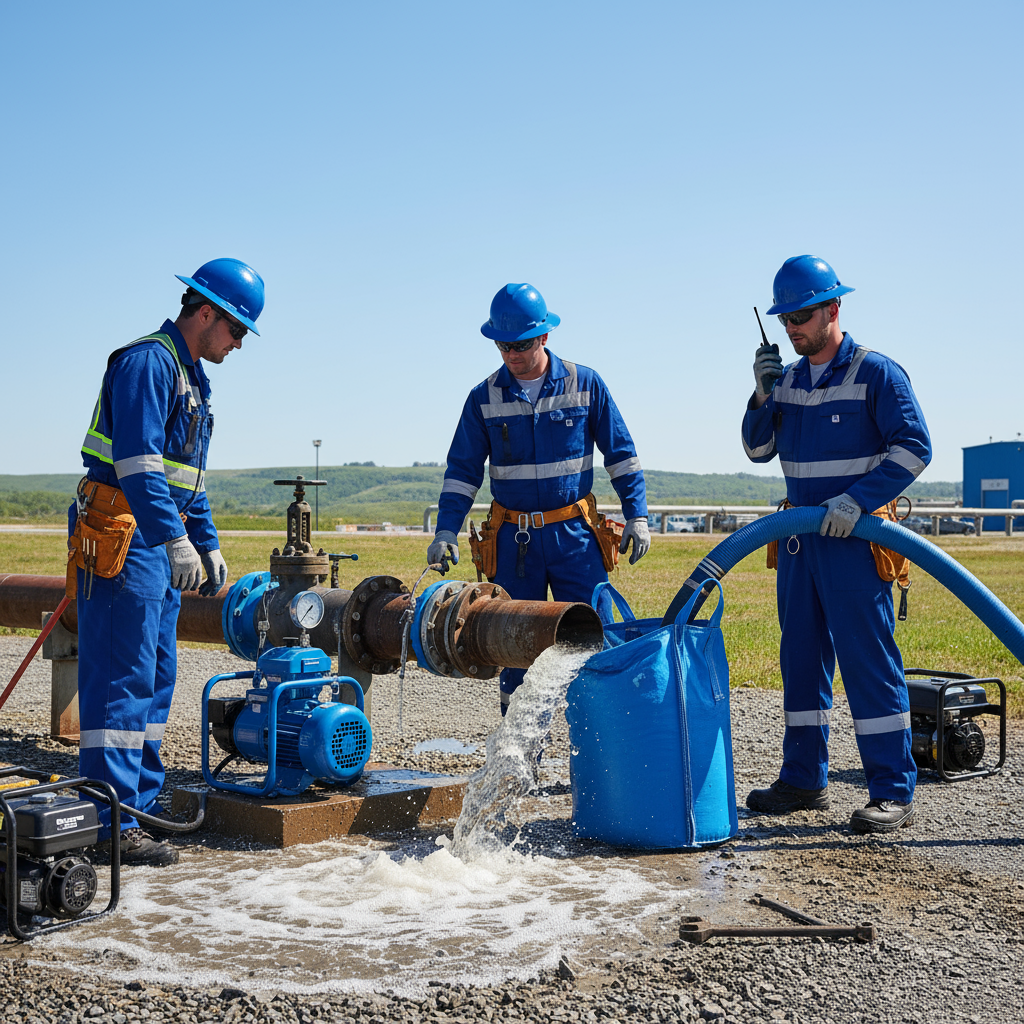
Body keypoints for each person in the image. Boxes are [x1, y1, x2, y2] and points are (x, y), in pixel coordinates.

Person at [73, 258, 264, 866]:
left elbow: (187, 477)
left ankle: (140, 807)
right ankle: (108, 821)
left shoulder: (191, 377)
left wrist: (204, 539)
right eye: (235, 330)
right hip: (124, 535)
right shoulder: (147, 363)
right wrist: (172, 537)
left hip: (154, 542)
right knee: (120, 680)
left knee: (155, 677)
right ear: (204, 312)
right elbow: (138, 464)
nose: (237, 344)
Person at [741, 255, 931, 834]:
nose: (792, 327)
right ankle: (803, 779)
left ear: (833, 309)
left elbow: (914, 448)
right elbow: (756, 452)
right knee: (801, 661)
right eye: (784, 318)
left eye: (801, 315)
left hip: (856, 540)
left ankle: (891, 791)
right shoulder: (789, 381)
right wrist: (760, 397)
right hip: (800, 543)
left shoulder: (878, 374)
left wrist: (859, 501)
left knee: (869, 663)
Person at [429, 282, 650, 715]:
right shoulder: (483, 399)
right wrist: (444, 530)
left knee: (590, 639)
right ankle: (521, 766)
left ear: (545, 336)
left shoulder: (586, 384)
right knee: (514, 646)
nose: (512, 354)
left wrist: (637, 516)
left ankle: (597, 762)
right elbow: (462, 473)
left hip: (575, 538)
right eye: (503, 345)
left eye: (522, 344)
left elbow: (622, 456)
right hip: (513, 542)